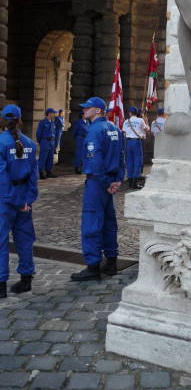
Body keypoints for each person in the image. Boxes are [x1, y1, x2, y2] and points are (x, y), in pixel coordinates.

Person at [71, 97, 125, 281]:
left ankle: (93, 266)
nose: (84, 110)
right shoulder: (114, 128)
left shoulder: (94, 130)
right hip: (109, 180)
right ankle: (111, 263)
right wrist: (117, 179)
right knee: (109, 223)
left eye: (88, 108)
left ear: (98, 110)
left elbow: (95, 161)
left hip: (97, 183)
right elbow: (121, 155)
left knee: (92, 223)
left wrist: (105, 182)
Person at [0, 104, 38, 298]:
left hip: (4, 200)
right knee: (24, 240)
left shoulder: (1, 142)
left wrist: (13, 200)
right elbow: (34, 175)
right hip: (23, 199)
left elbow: (2, 177)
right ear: (20, 119)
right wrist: (27, 200)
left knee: (1, 242)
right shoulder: (29, 143)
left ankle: (1, 286)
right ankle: (26, 279)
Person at [122, 106, 149, 189]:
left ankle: (130, 182)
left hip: (128, 142)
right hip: (136, 142)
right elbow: (146, 129)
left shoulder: (126, 121)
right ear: (136, 113)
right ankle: (135, 182)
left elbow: (124, 132)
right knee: (137, 161)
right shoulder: (140, 120)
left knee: (129, 161)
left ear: (130, 113)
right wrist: (146, 122)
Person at [36, 108, 58, 179]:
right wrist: (41, 141)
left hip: (52, 141)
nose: (54, 114)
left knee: (50, 157)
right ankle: (41, 172)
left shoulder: (52, 122)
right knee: (43, 157)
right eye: (53, 113)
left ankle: (49, 172)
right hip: (45, 141)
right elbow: (38, 134)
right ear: (49, 113)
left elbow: (54, 132)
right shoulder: (43, 122)